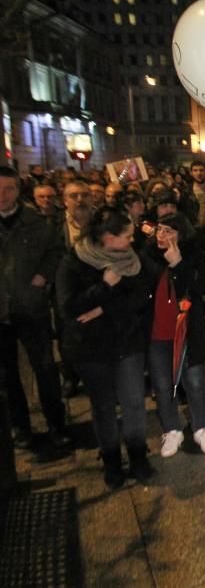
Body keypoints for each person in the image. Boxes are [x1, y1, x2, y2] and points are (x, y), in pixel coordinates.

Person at [56, 207, 154, 487]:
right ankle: (111, 459)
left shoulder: (132, 260)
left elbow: (139, 297)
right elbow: (69, 307)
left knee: (134, 402)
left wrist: (102, 309)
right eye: (126, 236)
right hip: (91, 349)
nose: (132, 241)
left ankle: (138, 455)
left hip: (127, 342)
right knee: (103, 407)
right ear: (108, 237)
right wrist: (104, 287)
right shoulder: (74, 261)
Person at [0, 166, 71, 450]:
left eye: (9, 189)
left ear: (18, 191)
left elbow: (55, 252)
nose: (3, 196)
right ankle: (20, 426)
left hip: (31, 307)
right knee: (7, 374)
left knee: (44, 369)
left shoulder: (36, 222)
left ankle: (56, 424)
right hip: (1, 309)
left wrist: (43, 276)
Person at [142, 213, 205, 457]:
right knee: (163, 386)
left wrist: (178, 264)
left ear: (181, 234)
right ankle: (172, 430)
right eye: (160, 230)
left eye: (169, 231)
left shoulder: (193, 256)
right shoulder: (146, 257)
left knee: (195, 382)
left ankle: (201, 427)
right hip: (157, 333)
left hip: (187, 331)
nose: (162, 236)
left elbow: (200, 288)